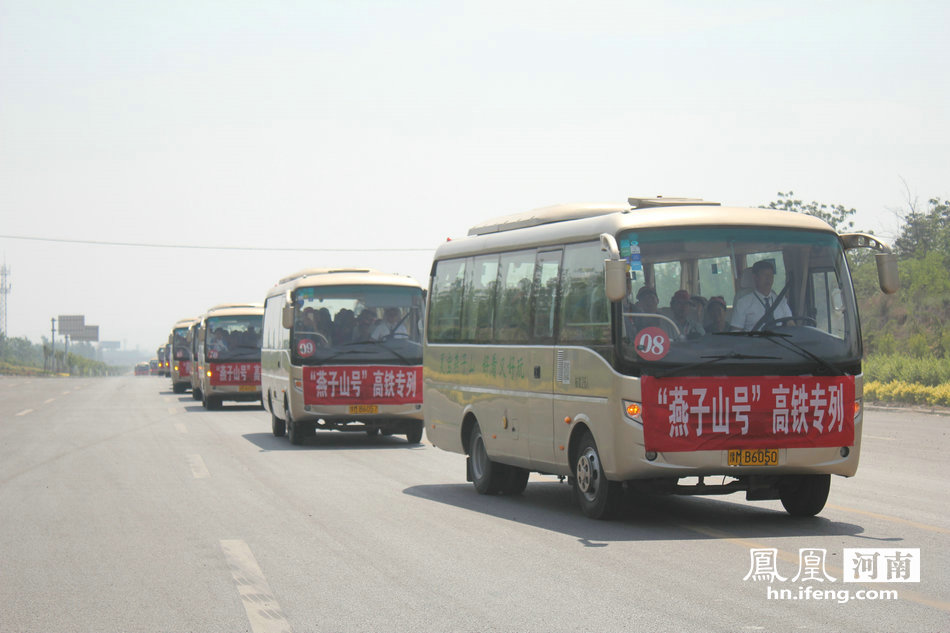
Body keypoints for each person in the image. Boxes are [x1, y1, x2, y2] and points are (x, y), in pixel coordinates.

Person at [730, 259, 793, 331]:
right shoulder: (743, 303)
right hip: (755, 341)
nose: (768, 279)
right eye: (765, 275)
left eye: (771, 275)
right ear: (755, 277)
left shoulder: (781, 301)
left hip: (780, 341)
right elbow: (736, 332)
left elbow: (791, 324)